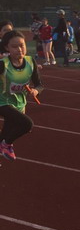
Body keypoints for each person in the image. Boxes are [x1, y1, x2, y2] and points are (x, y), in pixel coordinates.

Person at [0, 30, 43, 161]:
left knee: (4, 135)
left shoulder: (30, 62)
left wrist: (35, 91)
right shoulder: (3, 64)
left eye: (22, 45)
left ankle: (3, 144)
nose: (19, 49)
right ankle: (7, 144)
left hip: (18, 104)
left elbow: (39, 85)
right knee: (27, 124)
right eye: (14, 46)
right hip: (2, 103)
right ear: (7, 47)